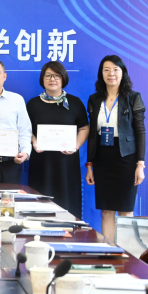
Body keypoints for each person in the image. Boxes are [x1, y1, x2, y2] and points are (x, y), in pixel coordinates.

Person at [85, 55, 146, 241]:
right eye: (106, 70)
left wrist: (140, 164)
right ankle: (109, 251)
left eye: (115, 69)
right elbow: (93, 135)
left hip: (126, 158)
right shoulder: (95, 99)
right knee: (107, 210)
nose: (111, 73)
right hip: (103, 159)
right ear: (101, 74)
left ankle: (128, 252)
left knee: (125, 211)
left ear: (122, 73)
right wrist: (89, 165)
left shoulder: (133, 97)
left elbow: (140, 131)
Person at [26, 61, 89, 218]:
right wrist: (34, 141)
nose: (52, 79)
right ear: (42, 79)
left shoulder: (74, 103)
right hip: (42, 162)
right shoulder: (33, 104)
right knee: (40, 206)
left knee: (68, 206)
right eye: (48, 75)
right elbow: (26, 130)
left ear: (63, 78)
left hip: (66, 163)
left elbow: (84, 128)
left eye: (56, 76)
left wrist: (75, 146)